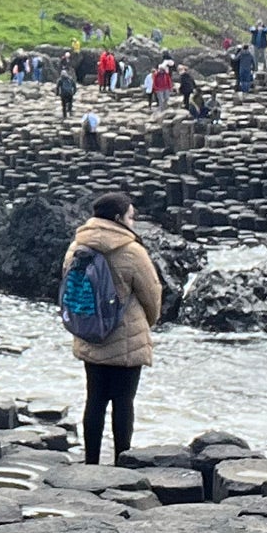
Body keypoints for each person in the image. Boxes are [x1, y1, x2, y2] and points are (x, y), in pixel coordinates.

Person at [63, 192, 162, 465]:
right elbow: (152, 294)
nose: (134, 222)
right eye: (131, 216)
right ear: (118, 218)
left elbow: (69, 287)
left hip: (90, 335)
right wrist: (146, 323)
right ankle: (121, 462)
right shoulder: (131, 251)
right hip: (126, 340)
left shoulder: (77, 246)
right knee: (123, 402)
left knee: (94, 399)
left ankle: (91, 462)